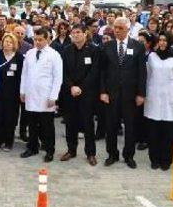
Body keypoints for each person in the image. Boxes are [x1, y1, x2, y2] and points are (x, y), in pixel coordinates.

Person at [100, 16, 147, 169]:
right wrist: (103, 91)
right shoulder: (107, 46)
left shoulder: (138, 47)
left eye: (120, 28)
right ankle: (112, 154)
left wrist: (141, 93)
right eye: (115, 27)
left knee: (130, 126)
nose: (117, 30)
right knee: (111, 126)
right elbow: (102, 72)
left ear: (128, 29)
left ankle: (129, 155)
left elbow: (142, 72)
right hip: (111, 94)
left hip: (130, 95)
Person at [144, 32, 173, 170]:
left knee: (169, 133)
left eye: (165, 40)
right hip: (154, 99)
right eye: (160, 40)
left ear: (169, 42)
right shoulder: (152, 57)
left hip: (172, 101)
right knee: (153, 132)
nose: (162, 43)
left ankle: (166, 160)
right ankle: (154, 159)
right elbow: (147, 78)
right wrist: (144, 95)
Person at [20, 27, 63, 162]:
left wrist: (53, 96)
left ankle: (49, 150)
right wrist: (22, 91)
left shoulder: (54, 55)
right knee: (32, 124)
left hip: (46, 96)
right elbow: (24, 74)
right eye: (35, 39)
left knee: (47, 126)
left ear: (47, 39)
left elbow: (58, 77)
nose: (37, 42)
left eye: (40, 40)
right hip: (31, 94)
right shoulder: (30, 54)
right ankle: (32, 147)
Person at [60, 24, 100, 165]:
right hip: (70, 93)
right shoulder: (66, 50)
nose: (75, 35)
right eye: (73, 32)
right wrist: (71, 87)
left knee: (88, 124)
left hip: (87, 93)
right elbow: (63, 72)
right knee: (70, 123)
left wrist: (81, 87)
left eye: (78, 32)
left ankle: (90, 153)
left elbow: (94, 72)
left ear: (85, 33)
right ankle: (71, 150)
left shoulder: (94, 50)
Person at [0, 33, 23, 151]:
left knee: (10, 118)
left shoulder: (19, 57)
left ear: (14, 44)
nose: (7, 44)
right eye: (6, 41)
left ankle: (9, 142)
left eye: (10, 42)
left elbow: (22, 76)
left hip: (13, 93)